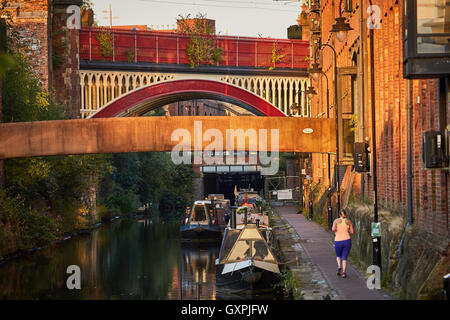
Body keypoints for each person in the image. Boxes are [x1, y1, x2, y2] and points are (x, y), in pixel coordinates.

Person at [332, 209, 354, 278]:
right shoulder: (348, 221)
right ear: (345, 214)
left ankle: (339, 266)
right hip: (347, 240)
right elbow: (352, 232)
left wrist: (336, 228)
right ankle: (344, 272)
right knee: (344, 256)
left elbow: (333, 229)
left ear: (339, 214)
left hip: (338, 240)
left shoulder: (336, 221)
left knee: (338, 256)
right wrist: (347, 229)